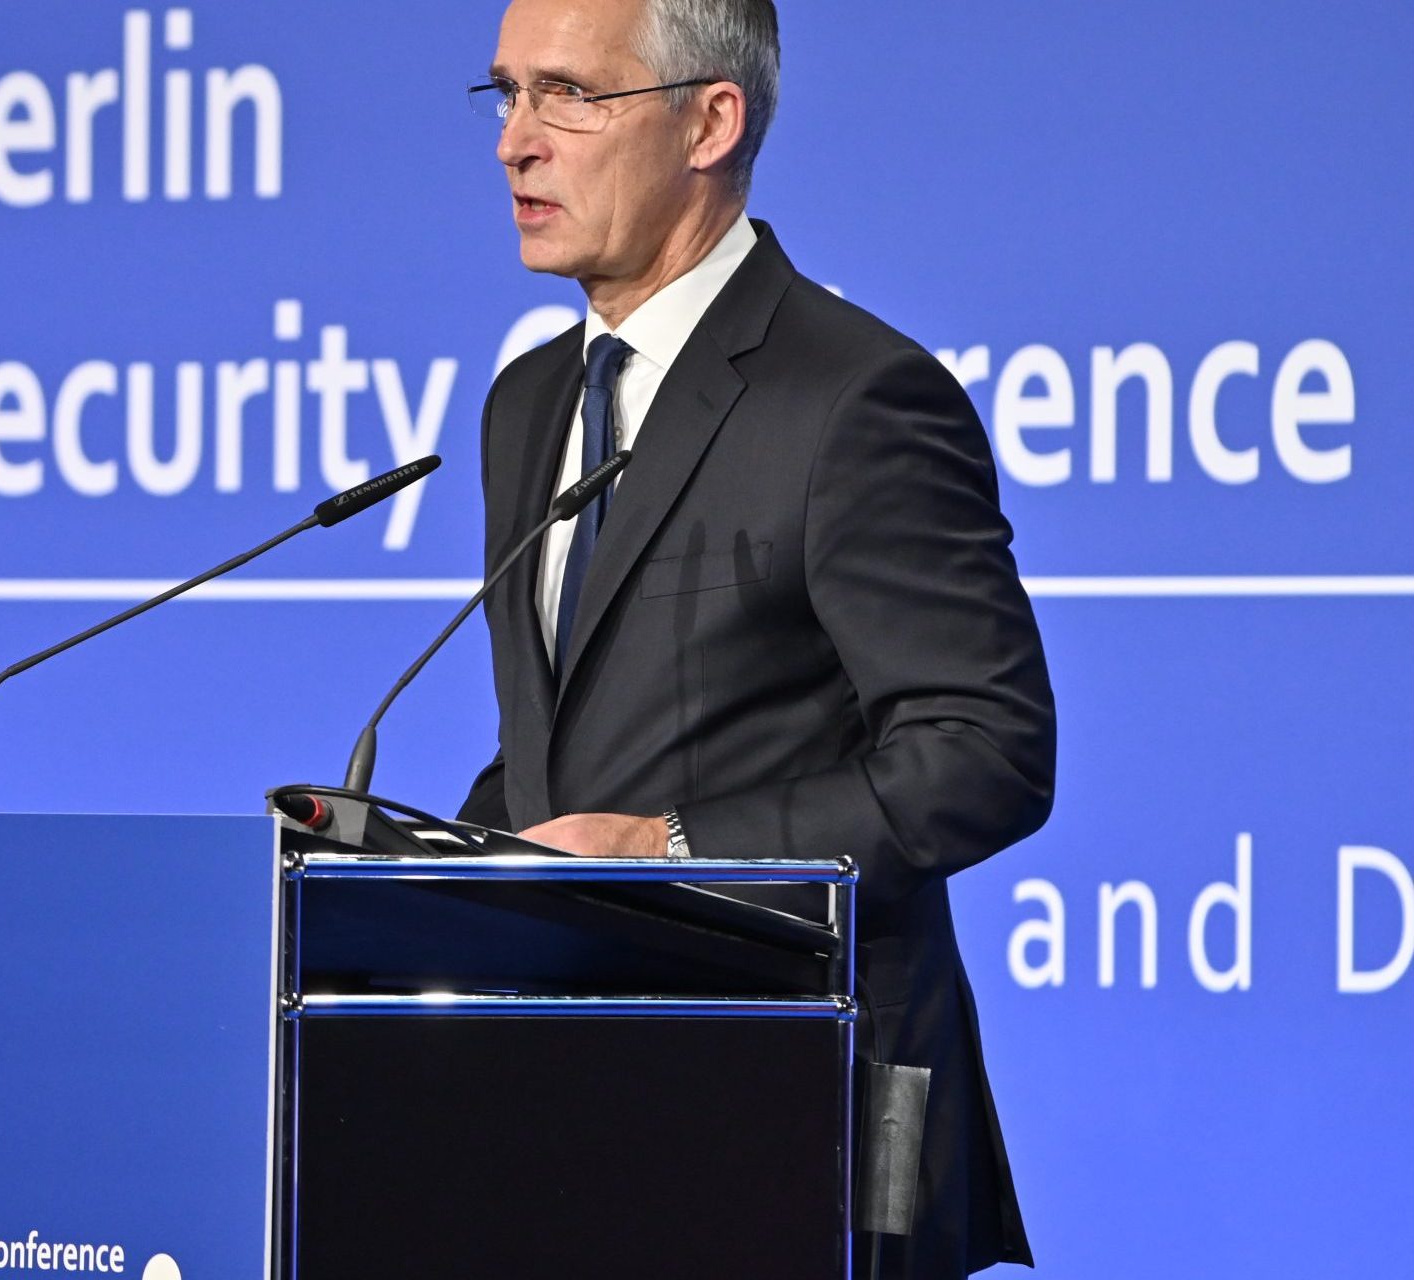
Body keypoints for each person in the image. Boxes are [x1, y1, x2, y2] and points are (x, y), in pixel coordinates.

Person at [452, 0, 1056, 1273]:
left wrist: (668, 848)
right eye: (503, 93)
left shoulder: (852, 396)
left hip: (797, 1109)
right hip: (561, 1111)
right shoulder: (527, 406)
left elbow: (984, 749)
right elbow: (562, 760)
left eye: (567, 94)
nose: (515, 141)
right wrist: (431, 861)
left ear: (709, 121)